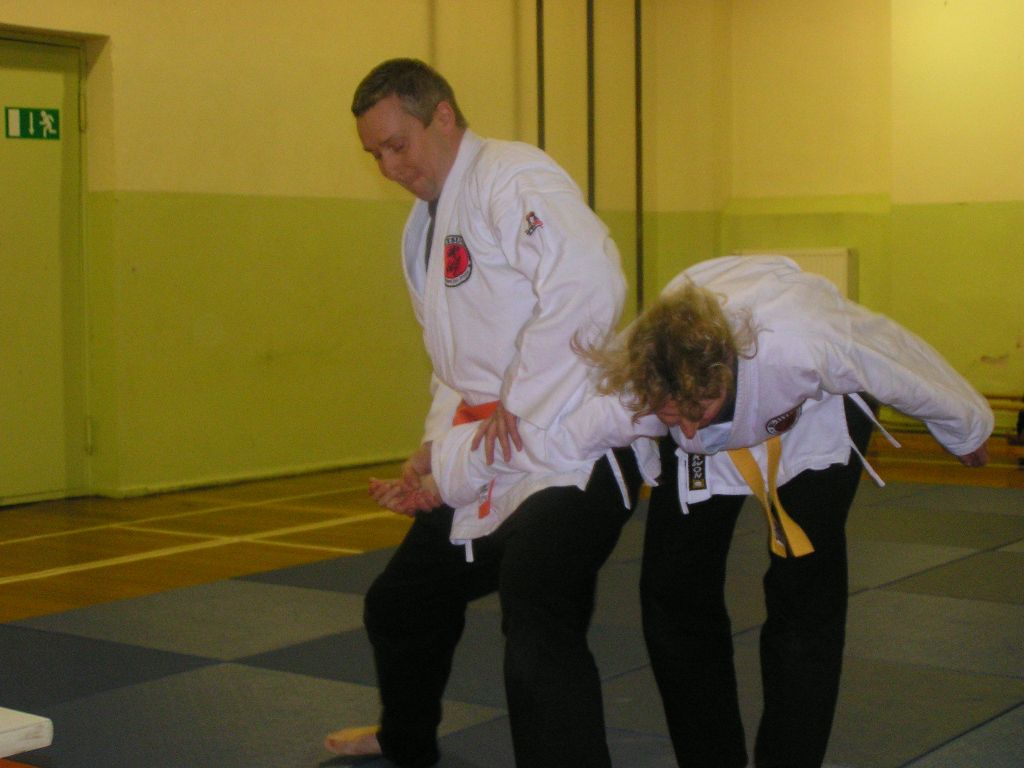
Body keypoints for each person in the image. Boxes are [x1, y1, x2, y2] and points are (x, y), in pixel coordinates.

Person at [425, 254, 993, 768]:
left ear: (722, 373)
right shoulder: (635, 384)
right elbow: (549, 440)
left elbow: (899, 359)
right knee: (673, 590)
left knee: (805, 590)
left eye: (695, 411)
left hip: (815, 416)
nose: (690, 429)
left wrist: (966, 428)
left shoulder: (809, 339)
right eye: (672, 417)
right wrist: (446, 473)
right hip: (709, 419)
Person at [324, 58, 641, 768]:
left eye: (397, 145)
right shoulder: (422, 227)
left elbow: (590, 284)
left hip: (573, 452)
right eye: (375, 155)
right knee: (399, 605)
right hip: (497, 454)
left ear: (442, 116)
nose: (389, 167)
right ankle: (405, 740)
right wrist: (436, 457)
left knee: (537, 612)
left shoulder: (511, 176)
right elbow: (457, 366)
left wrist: (519, 399)